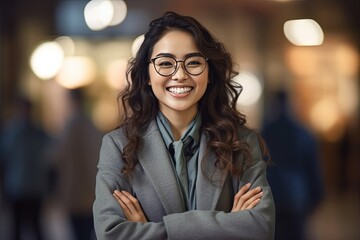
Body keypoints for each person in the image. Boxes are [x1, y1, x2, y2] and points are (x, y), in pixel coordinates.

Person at [93, 12, 275, 240]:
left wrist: (151, 230)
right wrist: (228, 225)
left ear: (209, 73)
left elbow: (259, 228)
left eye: (194, 62)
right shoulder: (118, 145)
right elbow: (111, 234)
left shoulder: (240, 141)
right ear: (147, 74)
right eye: (166, 63)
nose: (180, 75)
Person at [262, 90, 324, 240]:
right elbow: (313, 169)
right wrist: (316, 197)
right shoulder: (302, 133)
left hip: (271, 198)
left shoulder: (265, 133)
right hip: (296, 198)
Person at [51, 89, 102, 240]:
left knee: (78, 232)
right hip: (91, 191)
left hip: (74, 190)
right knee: (87, 231)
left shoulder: (71, 125)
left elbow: (58, 156)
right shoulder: (92, 125)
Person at [0, 97, 52, 240]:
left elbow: (50, 158)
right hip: (18, 188)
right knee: (17, 228)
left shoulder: (38, 133)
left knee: (35, 227)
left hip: (32, 187)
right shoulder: (11, 133)